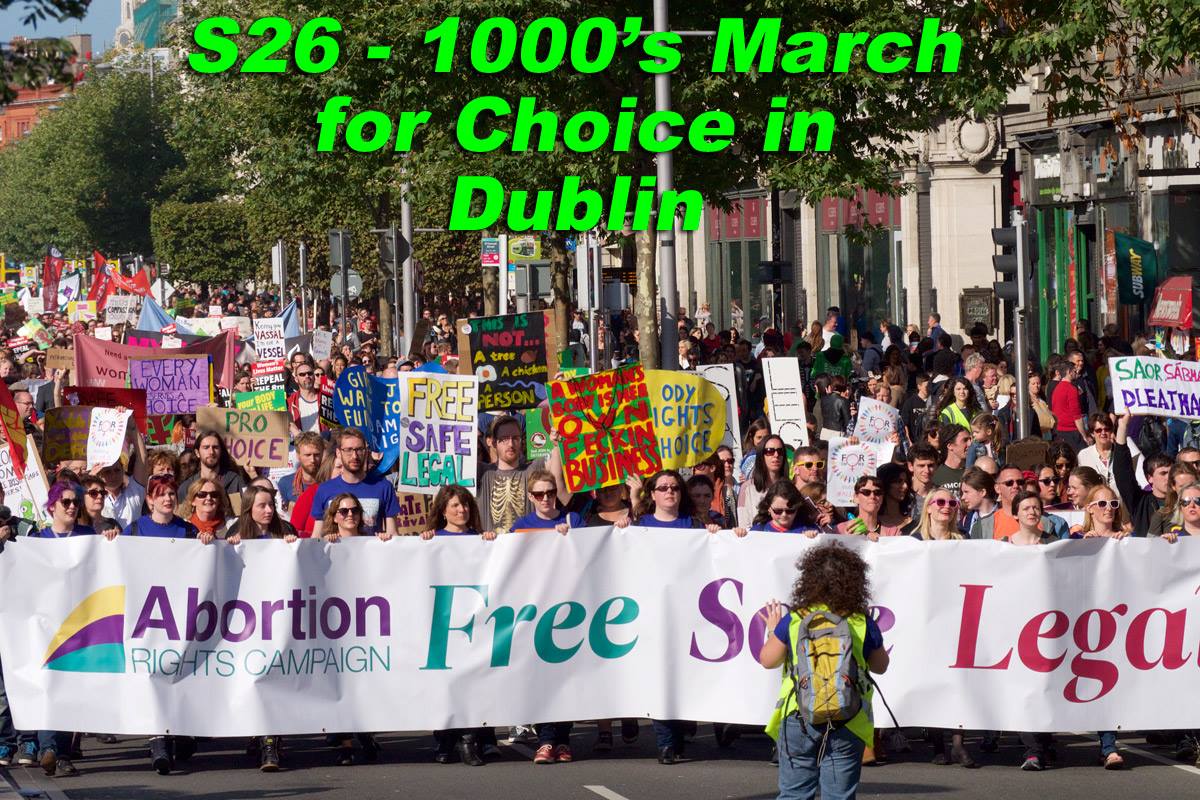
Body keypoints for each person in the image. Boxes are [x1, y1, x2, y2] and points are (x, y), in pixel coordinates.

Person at [759, 543, 889, 800]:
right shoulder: (861, 621)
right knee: (839, 795)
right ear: (854, 581)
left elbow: (767, 660)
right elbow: (881, 666)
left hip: (799, 715)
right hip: (848, 717)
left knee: (794, 794)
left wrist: (773, 630)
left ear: (809, 579)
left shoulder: (796, 619)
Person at [477, 416, 568, 534]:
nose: (511, 444)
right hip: (492, 549)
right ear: (494, 443)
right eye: (504, 439)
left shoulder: (533, 469)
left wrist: (557, 444)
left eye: (515, 438)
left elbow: (555, 470)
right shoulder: (482, 472)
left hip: (528, 548)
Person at [310, 429, 400, 538]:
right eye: (348, 450)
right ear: (338, 453)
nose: (354, 456)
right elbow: (317, 536)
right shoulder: (324, 490)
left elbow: (393, 533)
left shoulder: (384, 487)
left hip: (372, 553)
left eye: (359, 449)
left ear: (366, 452)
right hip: (336, 554)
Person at [1112, 412, 1171, 535]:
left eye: (1172, 472)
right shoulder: (1140, 502)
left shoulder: (1185, 501)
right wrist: (1122, 426)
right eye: (1163, 473)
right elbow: (1122, 472)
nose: (1169, 477)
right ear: (1150, 478)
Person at [117, 475, 206, 542]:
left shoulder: (189, 530)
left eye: (171, 494)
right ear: (150, 499)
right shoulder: (136, 529)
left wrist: (206, 541)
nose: (168, 499)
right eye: (162, 494)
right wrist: (111, 537)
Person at [178, 430, 247, 500]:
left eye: (215, 447)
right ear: (197, 453)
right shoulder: (187, 487)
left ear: (221, 451)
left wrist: (252, 474)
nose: (211, 452)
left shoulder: (235, 482)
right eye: (206, 447)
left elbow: (247, 506)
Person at [732, 480, 819, 535]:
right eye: (778, 511)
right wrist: (740, 535)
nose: (784, 515)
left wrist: (813, 538)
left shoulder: (809, 529)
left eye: (790, 511)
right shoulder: (758, 531)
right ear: (768, 508)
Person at [739, 436, 791, 526]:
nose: (776, 455)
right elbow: (743, 525)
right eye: (770, 451)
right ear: (761, 455)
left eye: (780, 451)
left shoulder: (791, 488)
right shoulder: (747, 488)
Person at [510, 469, 582, 534]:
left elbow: (587, 545)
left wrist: (571, 534)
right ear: (530, 497)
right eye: (539, 495)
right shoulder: (522, 525)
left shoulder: (572, 520)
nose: (545, 498)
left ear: (556, 492)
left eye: (550, 493)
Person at [836, 475, 904, 537]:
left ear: (882, 498)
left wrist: (881, 542)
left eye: (877, 492)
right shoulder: (840, 530)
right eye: (866, 492)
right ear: (856, 497)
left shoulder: (893, 532)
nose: (872, 496)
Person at [228, 485, 298, 544]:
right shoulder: (238, 538)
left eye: (271, 505)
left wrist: (291, 543)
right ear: (249, 508)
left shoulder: (285, 533)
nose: (269, 510)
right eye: (262, 506)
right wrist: (232, 546)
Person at [278, 431, 324, 512]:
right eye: (307, 455)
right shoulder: (285, 483)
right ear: (298, 455)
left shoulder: (330, 480)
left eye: (316, 455)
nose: (312, 460)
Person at [1050, 360, 1088, 451]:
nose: (1076, 373)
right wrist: (1084, 435)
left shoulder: (1057, 388)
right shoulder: (1071, 389)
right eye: (1074, 371)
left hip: (1059, 430)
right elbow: (1076, 415)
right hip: (1071, 431)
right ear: (1068, 372)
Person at [286, 355, 322, 434]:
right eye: (302, 374)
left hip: (325, 444)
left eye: (310, 373)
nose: (307, 376)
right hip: (300, 445)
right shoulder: (289, 403)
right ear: (296, 379)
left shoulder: (326, 398)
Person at [960, 468, 998, 539]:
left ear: (982, 492)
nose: (962, 497)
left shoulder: (1006, 515)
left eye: (966, 492)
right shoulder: (965, 521)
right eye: (963, 493)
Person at [932, 424, 971, 493]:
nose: (970, 444)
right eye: (965, 440)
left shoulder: (974, 472)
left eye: (970, 439)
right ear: (950, 446)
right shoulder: (935, 475)